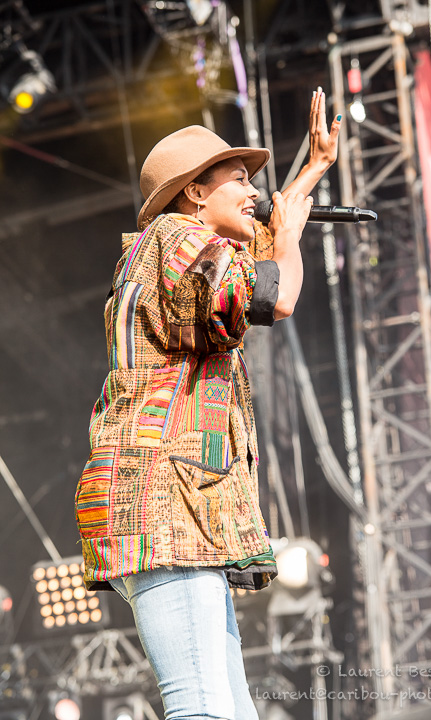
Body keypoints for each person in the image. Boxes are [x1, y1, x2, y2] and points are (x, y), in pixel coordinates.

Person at [75, 87, 341, 720]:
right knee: (199, 705)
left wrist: (311, 173)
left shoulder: (180, 250)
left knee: (230, 709)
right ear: (194, 193)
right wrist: (290, 233)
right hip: (161, 502)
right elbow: (272, 295)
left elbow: (256, 261)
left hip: (175, 509)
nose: (254, 191)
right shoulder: (177, 237)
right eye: (238, 179)